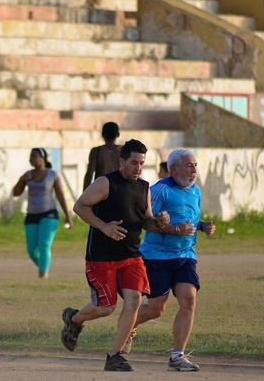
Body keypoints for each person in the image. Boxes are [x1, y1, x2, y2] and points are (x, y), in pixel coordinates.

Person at [60, 139, 178, 372]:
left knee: (134, 301)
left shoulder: (143, 187)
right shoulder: (105, 183)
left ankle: (114, 356)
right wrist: (104, 227)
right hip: (101, 258)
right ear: (121, 161)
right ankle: (74, 319)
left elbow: (146, 221)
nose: (138, 168)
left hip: (132, 256)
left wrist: (159, 222)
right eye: (133, 162)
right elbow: (80, 206)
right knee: (106, 308)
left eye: (142, 163)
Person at [128, 148, 216, 371]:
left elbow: (188, 221)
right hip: (157, 256)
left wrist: (202, 226)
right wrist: (166, 224)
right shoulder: (159, 190)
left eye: (195, 165)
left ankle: (177, 356)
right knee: (156, 309)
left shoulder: (195, 191)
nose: (194, 169)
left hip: (185, 256)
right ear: (173, 168)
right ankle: (129, 326)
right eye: (189, 165)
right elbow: (146, 221)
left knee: (189, 300)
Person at [12, 148, 73, 279]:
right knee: (32, 250)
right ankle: (44, 266)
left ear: (43, 158)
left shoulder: (52, 175)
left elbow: (60, 196)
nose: (32, 159)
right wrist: (22, 180)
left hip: (49, 215)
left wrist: (68, 217)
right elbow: (15, 193)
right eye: (30, 156)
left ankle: (43, 276)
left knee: (44, 245)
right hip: (31, 216)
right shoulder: (27, 175)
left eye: (35, 156)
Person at [83, 122, 121, 190]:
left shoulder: (96, 151)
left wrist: (85, 194)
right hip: (119, 191)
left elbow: (89, 174)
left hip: (101, 192)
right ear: (118, 135)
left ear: (103, 135)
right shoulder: (124, 151)